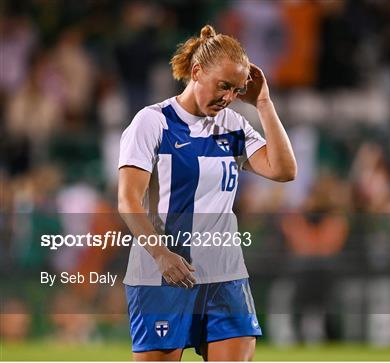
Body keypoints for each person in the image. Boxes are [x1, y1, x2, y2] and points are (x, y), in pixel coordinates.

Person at [117, 24, 296, 361]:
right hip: (164, 275)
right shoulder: (152, 122)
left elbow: (285, 170)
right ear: (197, 72)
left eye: (236, 90)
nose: (228, 97)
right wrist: (161, 255)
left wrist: (263, 103)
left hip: (225, 274)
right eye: (223, 86)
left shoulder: (234, 125)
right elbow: (128, 200)